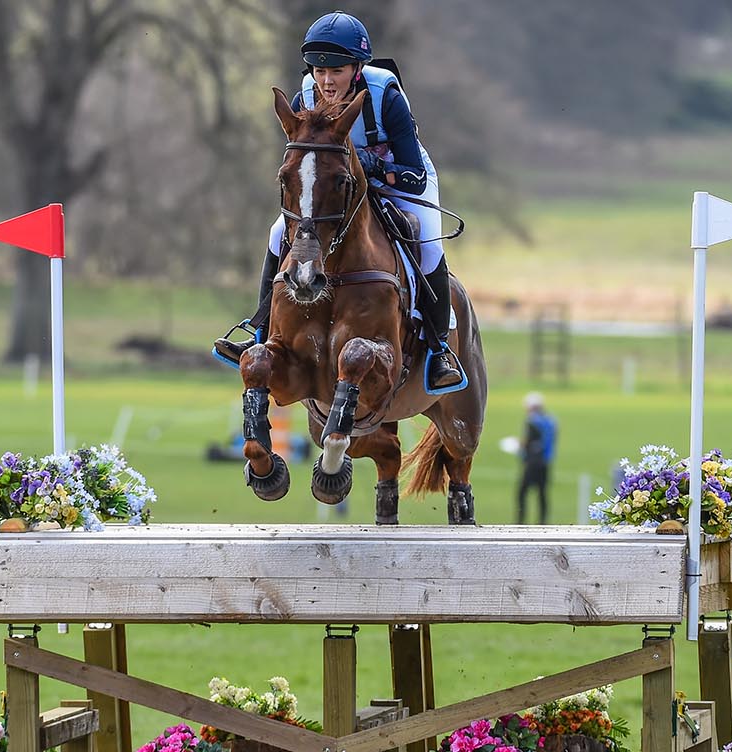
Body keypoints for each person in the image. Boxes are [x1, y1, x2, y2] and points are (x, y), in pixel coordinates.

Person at [213, 11, 463, 393]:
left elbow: (413, 172)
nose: (326, 81)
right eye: (319, 70)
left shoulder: (386, 98)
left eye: (337, 71)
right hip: (337, 189)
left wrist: (371, 164)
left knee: (425, 239)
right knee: (278, 230)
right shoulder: (305, 98)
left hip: (399, 180)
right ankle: (259, 328)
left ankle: (439, 346)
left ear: (358, 68)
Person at [516, 392, 557, 524]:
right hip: (545, 461)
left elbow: (528, 442)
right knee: (542, 493)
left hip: (532, 462)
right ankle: (542, 522)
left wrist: (520, 447)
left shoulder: (532, 421)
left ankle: (520, 521)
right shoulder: (551, 421)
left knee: (522, 492)